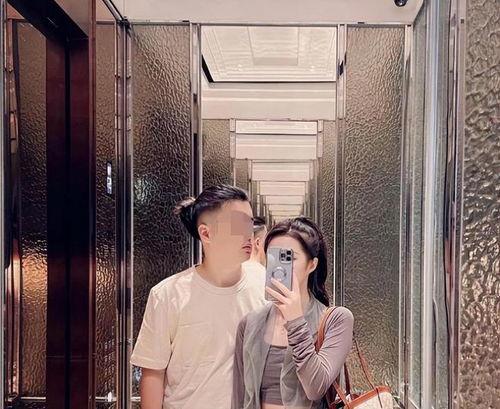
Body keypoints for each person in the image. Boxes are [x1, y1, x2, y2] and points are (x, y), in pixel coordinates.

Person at [131, 184, 267, 409]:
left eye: (249, 224)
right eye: (238, 224)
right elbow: (153, 373)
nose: (248, 235)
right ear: (206, 233)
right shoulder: (168, 295)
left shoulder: (263, 284)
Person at [232, 217, 354, 409]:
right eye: (274, 257)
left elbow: (315, 388)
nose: (280, 267)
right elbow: (239, 398)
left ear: (312, 265)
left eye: (289, 258)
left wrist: (295, 320)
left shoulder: (336, 319)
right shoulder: (249, 323)